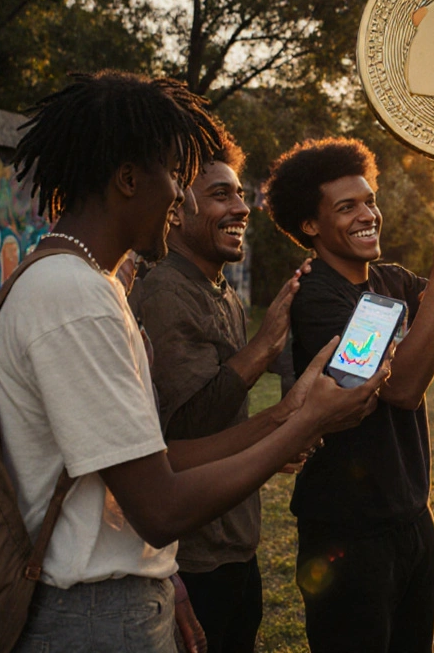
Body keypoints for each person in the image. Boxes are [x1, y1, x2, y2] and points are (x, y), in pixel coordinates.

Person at [0, 71, 386, 653]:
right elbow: (161, 506)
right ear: (129, 179)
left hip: (117, 596)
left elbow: (158, 463)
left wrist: (287, 414)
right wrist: (307, 423)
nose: (180, 197)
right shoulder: (76, 299)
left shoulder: (82, 285)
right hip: (92, 618)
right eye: (176, 177)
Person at [262, 137, 434, 653]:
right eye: (347, 206)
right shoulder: (316, 297)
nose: (368, 215)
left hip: (411, 518)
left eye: (370, 200)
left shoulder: (392, 279)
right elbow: (399, 389)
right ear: (310, 226)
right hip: (347, 534)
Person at [129, 118, 302, 653]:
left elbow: (223, 396)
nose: (242, 208)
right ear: (177, 210)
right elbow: (184, 430)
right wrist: (264, 347)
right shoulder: (166, 293)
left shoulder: (218, 288)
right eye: (220, 194)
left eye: (241, 195)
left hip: (236, 546)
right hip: (192, 559)